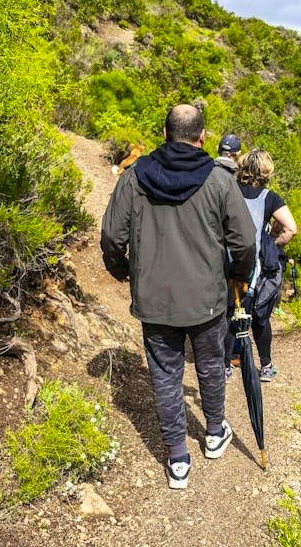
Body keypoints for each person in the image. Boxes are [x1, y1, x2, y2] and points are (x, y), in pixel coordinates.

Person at [101, 104, 256, 490]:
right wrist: (237, 276)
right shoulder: (219, 180)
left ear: (164, 133)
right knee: (210, 364)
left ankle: (177, 458)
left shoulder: (135, 177)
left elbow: (111, 237)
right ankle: (215, 433)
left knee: (165, 375)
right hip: (207, 298)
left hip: (154, 298)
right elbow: (245, 241)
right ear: (202, 137)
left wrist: (123, 271)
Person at [224, 149, 297, 383]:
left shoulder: (229, 188)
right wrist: (271, 244)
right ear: (266, 171)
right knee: (259, 316)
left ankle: (225, 365)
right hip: (252, 264)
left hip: (224, 259)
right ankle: (265, 366)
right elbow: (290, 229)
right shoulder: (269, 197)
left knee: (227, 312)